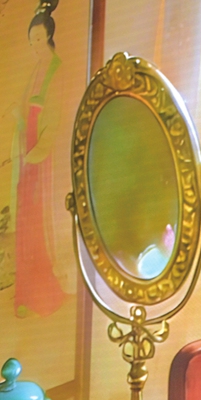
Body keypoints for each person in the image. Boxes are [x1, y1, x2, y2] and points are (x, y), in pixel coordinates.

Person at [11, 0, 67, 318]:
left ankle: (39, 295)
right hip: (27, 151)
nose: (34, 44)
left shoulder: (56, 69)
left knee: (36, 223)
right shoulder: (35, 69)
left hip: (42, 158)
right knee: (24, 219)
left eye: (38, 37)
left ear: (48, 35)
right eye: (30, 38)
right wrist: (19, 116)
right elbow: (26, 108)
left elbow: (54, 117)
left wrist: (38, 151)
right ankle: (24, 292)